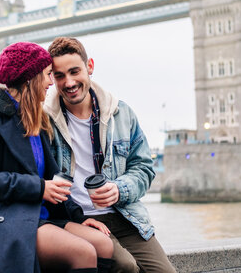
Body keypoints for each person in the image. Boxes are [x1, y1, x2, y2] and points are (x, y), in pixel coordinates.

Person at [0, 42, 114, 273]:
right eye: (47, 75)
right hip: (0, 224)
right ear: (30, 78)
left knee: (103, 245)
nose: (51, 82)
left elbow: (54, 182)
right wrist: (38, 188)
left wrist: (79, 218)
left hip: (37, 218)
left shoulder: (35, 123)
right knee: (83, 252)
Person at [44, 37, 176, 273]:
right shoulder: (44, 120)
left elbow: (144, 168)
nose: (69, 82)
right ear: (51, 78)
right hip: (79, 221)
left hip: (125, 216)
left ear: (90, 67)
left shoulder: (121, 113)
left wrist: (118, 189)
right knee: (125, 266)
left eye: (75, 71)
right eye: (60, 76)